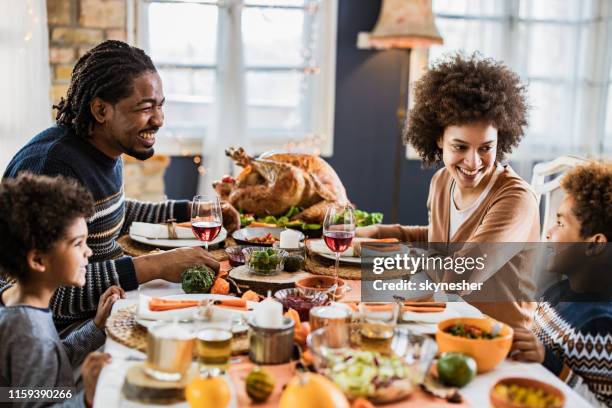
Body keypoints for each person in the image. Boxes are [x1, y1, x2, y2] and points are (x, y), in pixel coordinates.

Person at [3, 40, 239, 330]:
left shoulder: (105, 145)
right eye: (145, 108)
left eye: (161, 106)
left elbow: (110, 214)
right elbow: (52, 293)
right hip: (63, 335)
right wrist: (156, 266)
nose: (159, 120)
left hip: (106, 305)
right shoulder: (52, 167)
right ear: (101, 111)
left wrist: (189, 210)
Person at [357, 54, 540, 329]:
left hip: (499, 338)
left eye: (486, 148)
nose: (473, 162)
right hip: (445, 317)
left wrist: (402, 254)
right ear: (439, 139)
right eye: (460, 147)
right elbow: (441, 243)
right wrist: (381, 233)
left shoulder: (515, 200)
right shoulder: (443, 181)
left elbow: (459, 277)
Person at [0, 173, 123, 407]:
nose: (89, 252)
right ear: (38, 260)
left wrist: (96, 327)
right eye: (78, 244)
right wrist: (86, 397)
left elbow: (52, 358)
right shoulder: (27, 334)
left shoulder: (22, 308)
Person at [511, 162, 612, 407]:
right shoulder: (555, 293)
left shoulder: (602, 327)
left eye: (560, 223)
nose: (548, 232)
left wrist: (551, 363)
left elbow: (599, 403)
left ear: (594, 244)